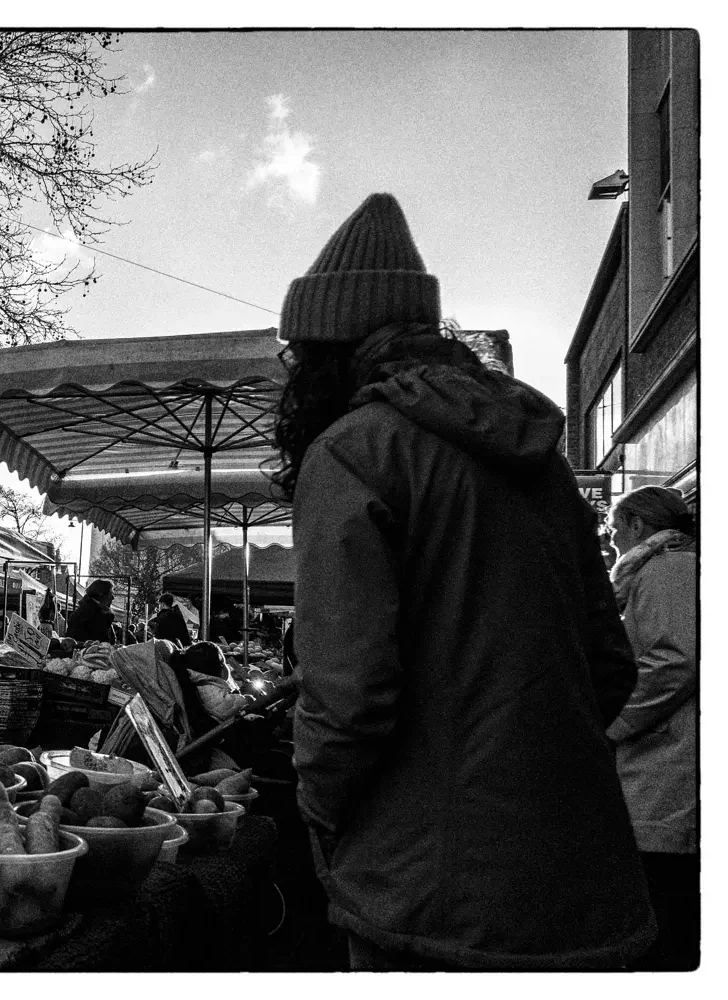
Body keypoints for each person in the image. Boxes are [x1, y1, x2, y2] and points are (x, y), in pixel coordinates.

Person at [272, 192, 654, 970]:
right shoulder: (539, 460)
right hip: (583, 881)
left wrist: (318, 810)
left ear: (323, 351)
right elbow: (610, 666)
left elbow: (348, 696)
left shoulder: (353, 452)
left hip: (427, 894)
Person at [606, 486, 698, 971]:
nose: (614, 538)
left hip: (665, 761)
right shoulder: (666, 570)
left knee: (667, 905)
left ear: (638, 526)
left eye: (617, 527)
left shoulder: (667, 570)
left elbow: (674, 660)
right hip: (661, 759)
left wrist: (615, 724)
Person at [65, 579, 116, 643]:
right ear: (101, 595)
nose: (112, 597)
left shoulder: (86, 612)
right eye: (111, 593)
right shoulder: (94, 615)